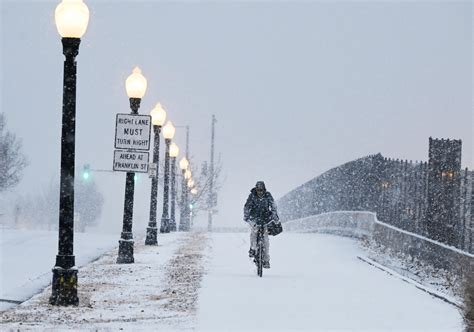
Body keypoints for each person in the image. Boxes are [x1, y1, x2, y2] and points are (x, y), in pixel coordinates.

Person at [243, 181, 280, 268]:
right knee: (253, 233)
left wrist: (274, 216)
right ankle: (252, 248)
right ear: (256, 189)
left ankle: (266, 260)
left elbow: (273, 205)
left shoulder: (268, 195)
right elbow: (247, 206)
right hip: (254, 218)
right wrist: (246, 216)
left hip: (265, 218)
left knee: (266, 239)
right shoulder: (252, 195)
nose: (260, 191)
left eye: (261, 190)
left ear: (264, 189)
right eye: (258, 190)